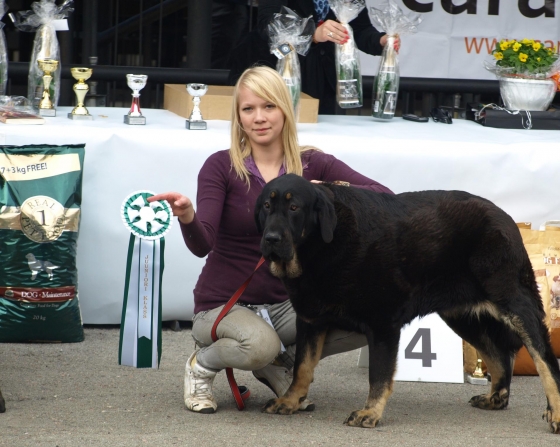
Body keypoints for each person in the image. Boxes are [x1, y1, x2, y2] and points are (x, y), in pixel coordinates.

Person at [149, 65, 392, 414]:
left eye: (268, 107)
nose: (259, 118)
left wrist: (329, 192)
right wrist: (187, 215)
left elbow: (382, 195)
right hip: (224, 303)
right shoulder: (221, 167)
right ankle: (202, 365)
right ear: (238, 117)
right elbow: (204, 244)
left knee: (360, 317)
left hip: (286, 304)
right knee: (258, 347)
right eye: (248, 109)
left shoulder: (314, 164)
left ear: (284, 110)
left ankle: (278, 360)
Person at [257, 0, 399, 114]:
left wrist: (381, 41)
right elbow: (268, 23)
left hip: (329, 79)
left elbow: (359, 29)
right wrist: (312, 34)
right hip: (288, 74)